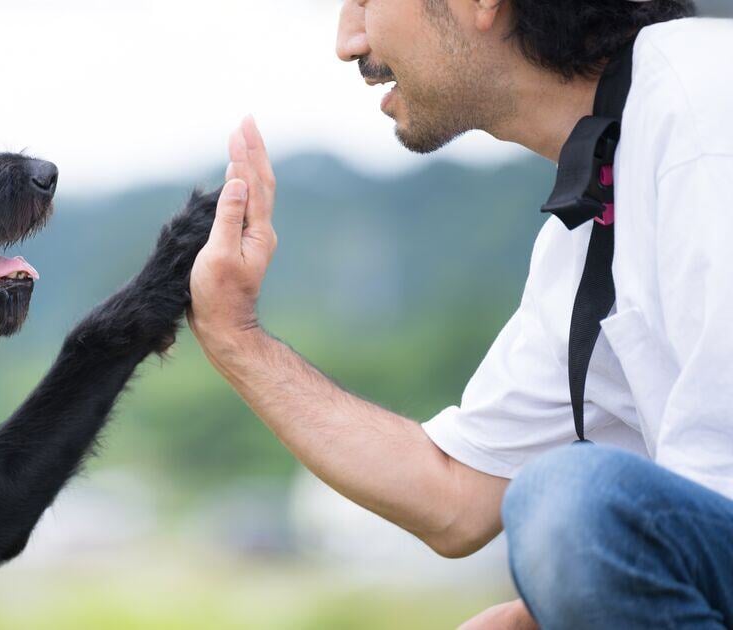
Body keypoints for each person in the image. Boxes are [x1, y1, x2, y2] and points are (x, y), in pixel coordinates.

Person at [187, 1, 733, 627]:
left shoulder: (707, 113)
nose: (348, 40)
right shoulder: (591, 218)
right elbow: (455, 493)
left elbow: (708, 499)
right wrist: (234, 333)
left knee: (568, 499)